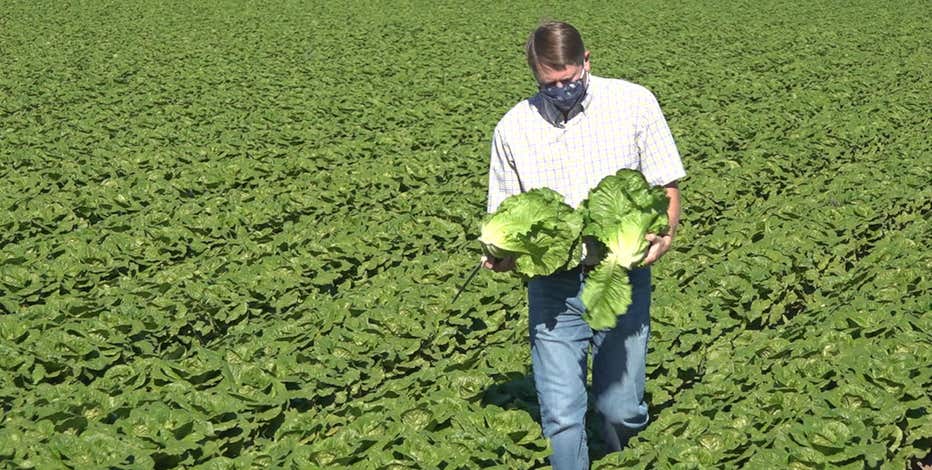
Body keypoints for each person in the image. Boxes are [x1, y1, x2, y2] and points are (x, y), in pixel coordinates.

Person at [482, 21, 685, 469]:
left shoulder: (634, 103)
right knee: (561, 418)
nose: (561, 90)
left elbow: (666, 185)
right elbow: (506, 215)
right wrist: (502, 254)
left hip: (619, 275)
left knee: (619, 410)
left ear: (587, 62)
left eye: (569, 80)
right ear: (534, 74)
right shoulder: (513, 128)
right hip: (553, 288)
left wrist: (665, 235)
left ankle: (621, 456)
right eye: (548, 83)